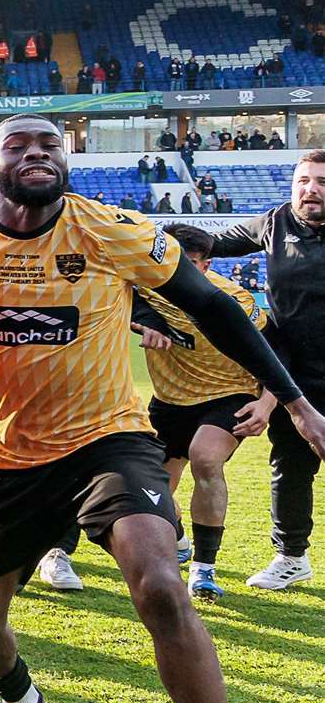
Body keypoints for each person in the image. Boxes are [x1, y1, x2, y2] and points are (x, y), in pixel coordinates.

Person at [0, 114, 325, 703]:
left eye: (52, 145)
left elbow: (213, 308)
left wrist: (298, 402)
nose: (39, 154)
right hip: (8, 460)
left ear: (67, 159)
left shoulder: (117, 230)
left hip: (110, 441)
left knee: (160, 587)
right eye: (21, 146)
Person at [131, 224, 277, 600]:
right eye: (173, 261)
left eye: (191, 264)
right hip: (170, 401)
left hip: (229, 394)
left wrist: (266, 403)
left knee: (205, 458)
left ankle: (203, 569)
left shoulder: (236, 300)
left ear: (208, 265)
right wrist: (146, 321)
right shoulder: (147, 285)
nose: (179, 272)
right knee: (151, 485)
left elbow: (274, 354)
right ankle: (179, 540)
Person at [209, 152, 325, 590]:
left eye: (321, 182)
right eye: (303, 180)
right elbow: (214, 243)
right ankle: (292, 556)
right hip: (291, 376)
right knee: (290, 466)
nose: (310, 189)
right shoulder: (276, 223)